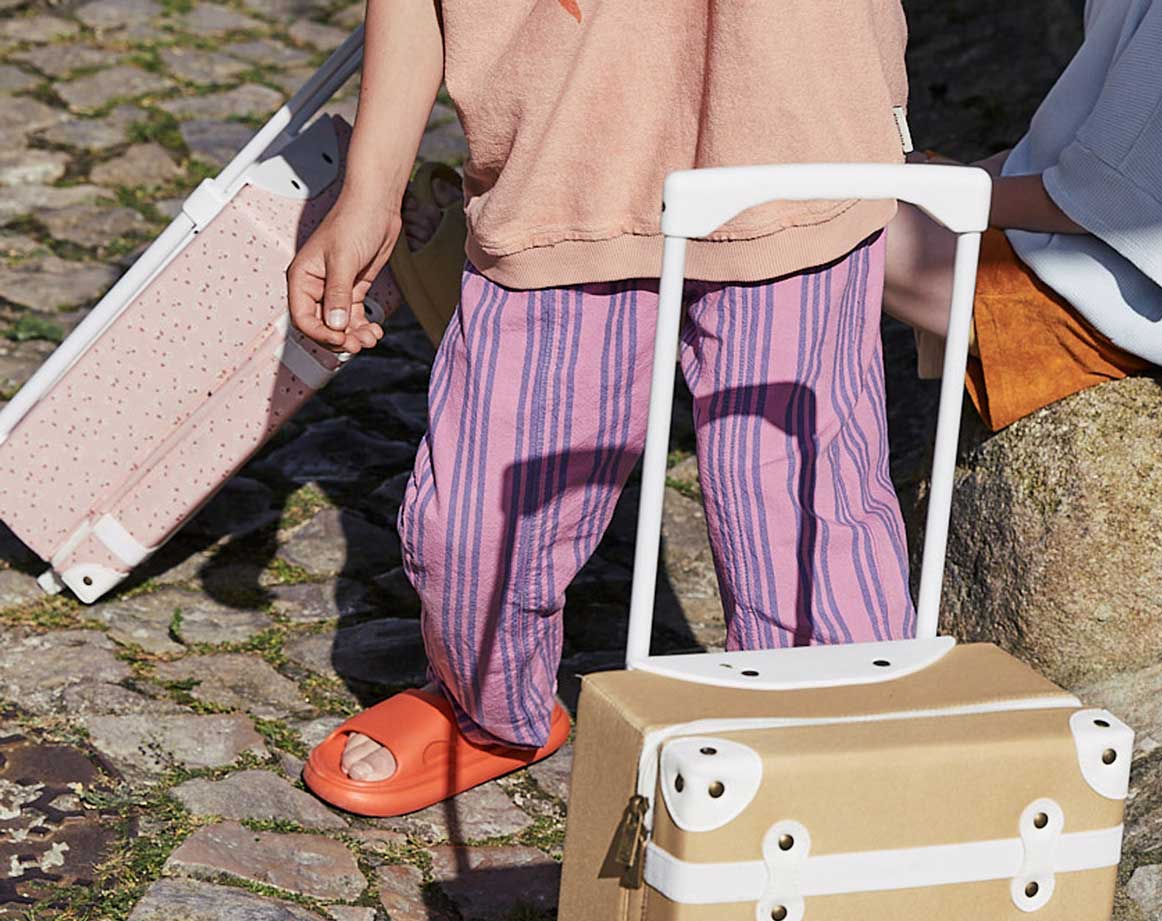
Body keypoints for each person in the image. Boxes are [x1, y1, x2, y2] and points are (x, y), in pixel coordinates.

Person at [289, 0, 914, 816]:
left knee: (797, 517)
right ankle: (491, 712)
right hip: (557, 167)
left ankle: (840, 770)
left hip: (792, 132)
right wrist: (369, 190)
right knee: (473, 530)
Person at [883, 0, 1162, 432]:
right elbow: (1076, 154)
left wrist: (950, 193)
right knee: (880, 184)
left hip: (1145, 304)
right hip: (1114, 250)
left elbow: (1107, 197)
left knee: (847, 215)